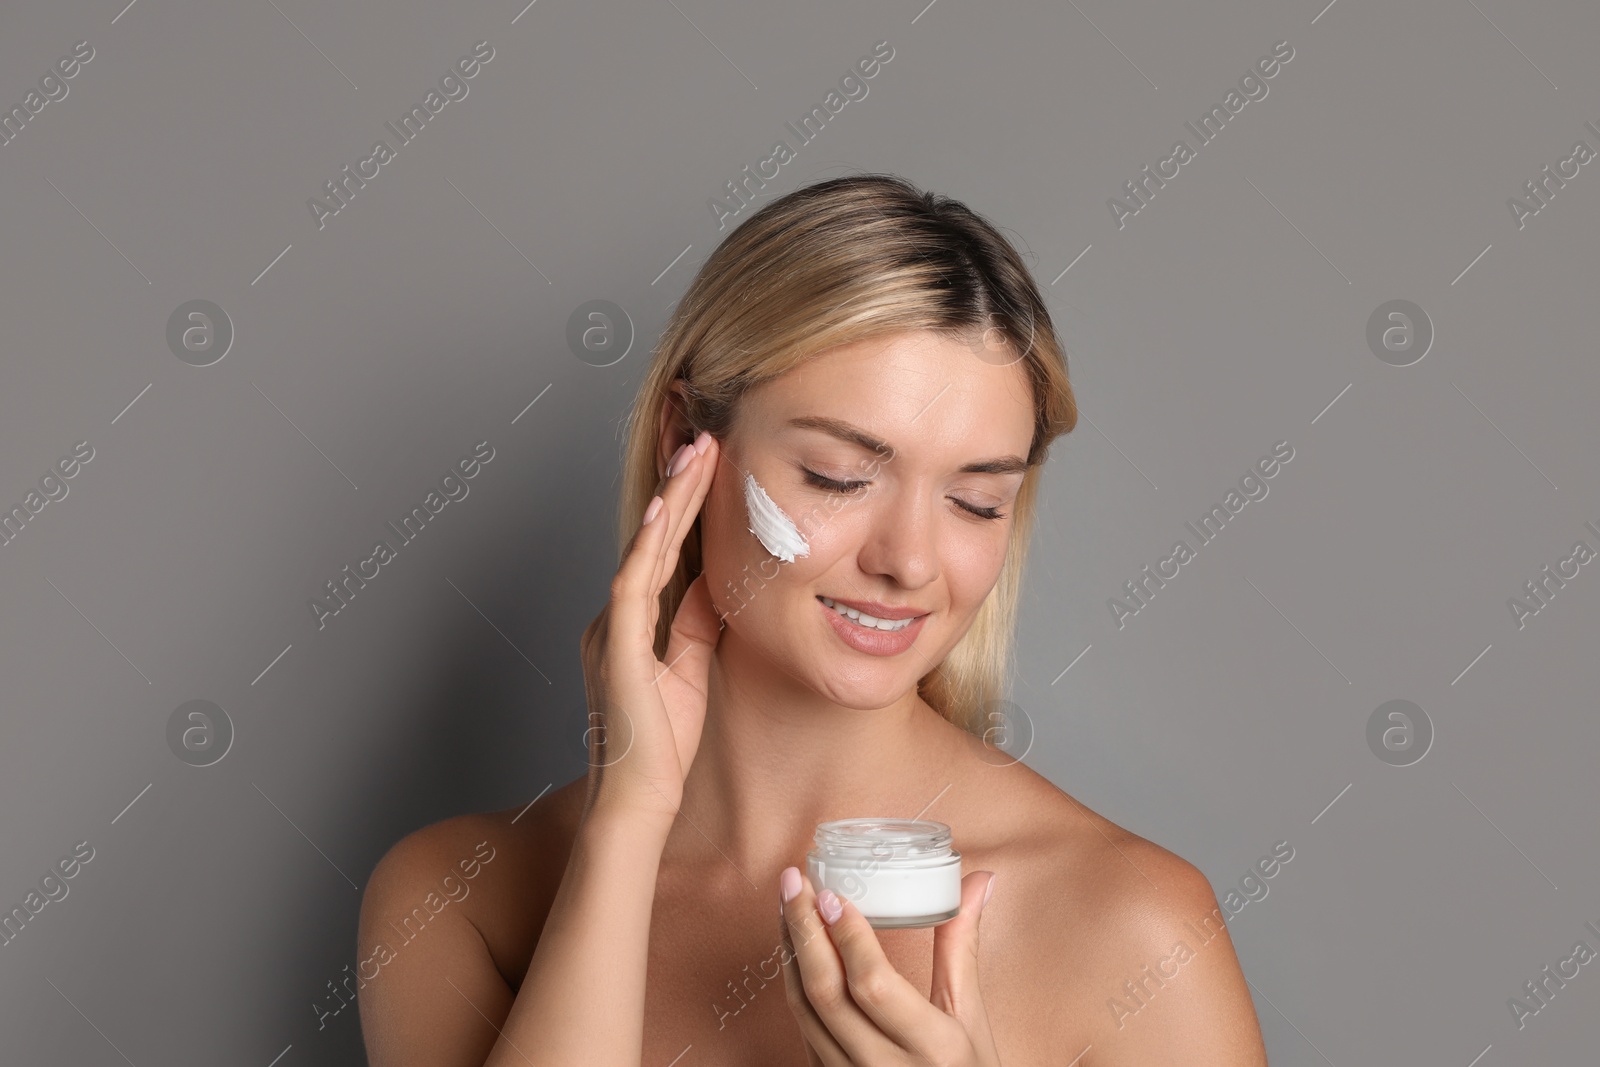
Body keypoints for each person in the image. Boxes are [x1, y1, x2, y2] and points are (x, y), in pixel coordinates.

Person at [356, 173, 1269, 1066]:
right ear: (685, 443)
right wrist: (626, 821)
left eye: (976, 501)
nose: (908, 560)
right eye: (841, 475)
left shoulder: (1136, 931)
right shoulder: (453, 900)